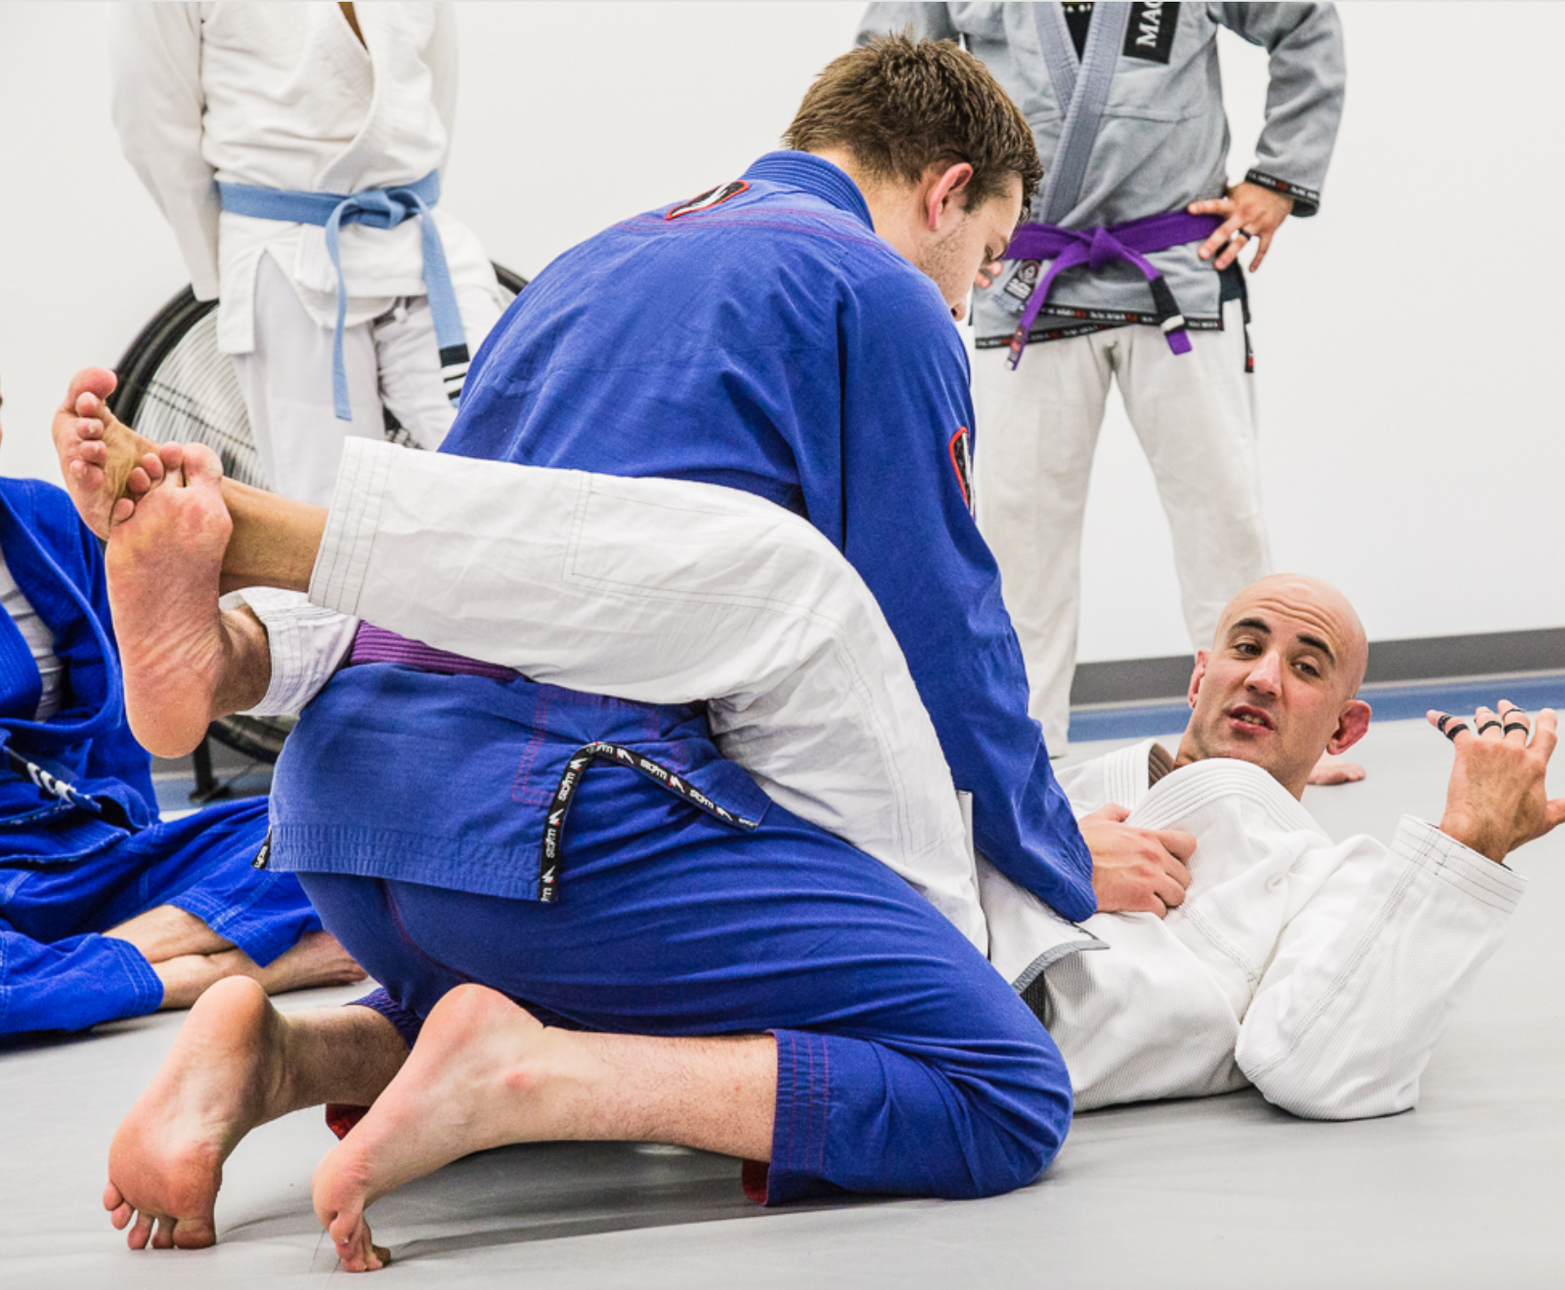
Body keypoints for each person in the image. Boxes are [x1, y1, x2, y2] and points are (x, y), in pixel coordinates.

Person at [61, 36, 1201, 1270]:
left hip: (343, 811)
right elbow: (947, 637)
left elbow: (474, 542)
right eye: (986, 257)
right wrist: (1052, 853)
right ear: (945, 191)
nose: (971, 299)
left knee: (565, 976)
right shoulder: (878, 295)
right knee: (999, 1087)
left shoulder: (588, 264)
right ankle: (525, 1073)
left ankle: (279, 1054)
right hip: (558, 825)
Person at [855, 3, 1348, 765]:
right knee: (1016, 542)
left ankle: (1263, 748)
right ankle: (1021, 753)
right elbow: (886, 77)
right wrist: (934, 226)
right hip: (1026, 276)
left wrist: (1277, 178)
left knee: (1223, 523)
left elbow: (1305, 19)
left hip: (1178, 268)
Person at [990, 573, 1565, 1112]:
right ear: (1199, 678)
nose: (1263, 679)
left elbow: (1312, 1066)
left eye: (1306, 667)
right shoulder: (1050, 795)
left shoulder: (1328, 885)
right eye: (1246, 649)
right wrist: (1050, 857)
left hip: (983, 1051)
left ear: (1345, 728)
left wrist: (1469, 846)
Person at [0, 386, 359, 1038]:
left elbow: (116, 735)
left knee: (344, 816)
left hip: (84, 848)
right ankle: (212, 969)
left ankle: (79, 971)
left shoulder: (46, 521)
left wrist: (142, 846)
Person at [110, 1, 506, 505]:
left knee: (514, 462)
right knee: (331, 509)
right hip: (285, 256)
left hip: (414, 237)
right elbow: (151, 118)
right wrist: (238, 267)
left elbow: (434, 83)